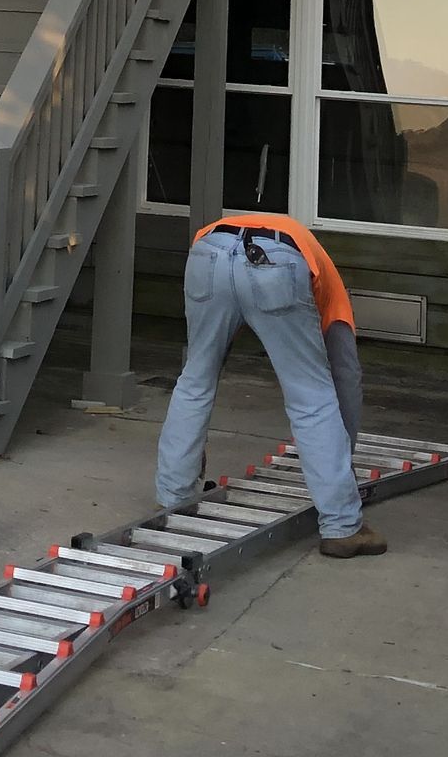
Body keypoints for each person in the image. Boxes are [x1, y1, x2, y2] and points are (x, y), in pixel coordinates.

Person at [155, 209, 384, 559]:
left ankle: (174, 497)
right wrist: (342, 465)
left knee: (195, 381)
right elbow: (346, 383)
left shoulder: (314, 262)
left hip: (208, 250)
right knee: (313, 398)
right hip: (277, 260)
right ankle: (342, 526)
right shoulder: (336, 300)